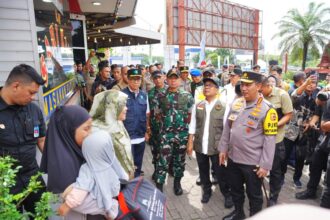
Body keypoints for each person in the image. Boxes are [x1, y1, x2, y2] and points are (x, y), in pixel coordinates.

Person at [219, 71, 278, 219]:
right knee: (236, 191)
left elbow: (270, 140)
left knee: (254, 196)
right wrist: (223, 148)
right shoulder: (237, 103)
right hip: (233, 158)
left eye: (248, 85)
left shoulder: (268, 109)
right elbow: (228, 127)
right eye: (242, 84)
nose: (244, 88)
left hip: (252, 163)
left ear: (258, 86)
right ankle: (239, 214)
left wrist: (265, 165)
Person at [0, 64, 46, 216]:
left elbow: (41, 140)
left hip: (33, 176)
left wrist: (56, 164)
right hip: (5, 184)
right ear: (16, 86)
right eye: (31, 92)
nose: (33, 97)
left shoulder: (34, 110)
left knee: (42, 214)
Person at [57, 130, 128, 219]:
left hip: (97, 206)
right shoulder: (111, 162)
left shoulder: (88, 168)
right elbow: (124, 177)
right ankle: (110, 207)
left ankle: (109, 207)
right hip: (113, 197)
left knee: (71, 193)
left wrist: (66, 206)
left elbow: (81, 190)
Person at [40, 105, 93, 219]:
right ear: (69, 129)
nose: (90, 133)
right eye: (86, 128)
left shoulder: (75, 150)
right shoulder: (64, 167)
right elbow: (80, 203)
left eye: (91, 127)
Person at [187, 77, 233, 206]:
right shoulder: (199, 105)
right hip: (201, 145)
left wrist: (225, 148)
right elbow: (193, 125)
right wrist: (190, 142)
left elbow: (227, 129)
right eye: (205, 85)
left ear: (217, 90)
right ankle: (206, 191)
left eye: (210, 85)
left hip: (217, 146)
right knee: (203, 171)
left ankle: (227, 194)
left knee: (221, 173)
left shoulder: (224, 106)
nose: (206, 87)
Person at [155, 69, 194, 194]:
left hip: (182, 135)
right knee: (162, 160)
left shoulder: (187, 96)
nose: (173, 80)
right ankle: (159, 185)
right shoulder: (160, 95)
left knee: (179, 160)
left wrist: (189, 137)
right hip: (166, 135)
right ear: (166, 79)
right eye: (170, 78)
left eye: (175, 78)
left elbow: (190, 116)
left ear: (179, 80)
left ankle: (177, 183)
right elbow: (157, 114)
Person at [260, 76, 293, 206]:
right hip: (259, 140)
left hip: (276, 140)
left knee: (275, 171)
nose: (259, 91)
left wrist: (274, 125)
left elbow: (289, 115)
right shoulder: (258, 96)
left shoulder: (282, 95)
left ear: (268, 86)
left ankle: (273, 197)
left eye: (261, 89)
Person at [282, 74, 320, 188]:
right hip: (290, 129)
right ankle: (281, 177)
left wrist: (310, 122)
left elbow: (317, 114)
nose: (310, 85)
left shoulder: (317, 98)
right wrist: (305, 84)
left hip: (304, 132)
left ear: (316, 86)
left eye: (313, 83)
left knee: (300, 157)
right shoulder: (297, 93)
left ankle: (297, 178)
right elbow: (294, 95)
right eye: (309, 82)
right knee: (284, 156)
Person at [89, 90, 135, 179]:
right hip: (112, 182)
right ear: (111, 107)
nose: (126, 108)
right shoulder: (96, 133)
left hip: (125, 178)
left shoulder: (117, 123)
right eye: (122, 105)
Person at [122, 68, 150, 177]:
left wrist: (147, 131)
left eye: (138, 79)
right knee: (127, 166)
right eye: (133, 79)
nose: (136, 82)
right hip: (127, 137)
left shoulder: (144, 95)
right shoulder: (122, 95)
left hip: (140, 136)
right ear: (128, 80)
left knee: (138, 164)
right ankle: (127, 188)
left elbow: (147, 115)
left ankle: (136, 184)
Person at [148, 70, 167, 180]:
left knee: (166, 150)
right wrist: (148, 127)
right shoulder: (150, 93)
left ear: (164, 77)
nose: (157, 80)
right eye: (155, 78)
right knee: (155, 150)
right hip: (155, 127)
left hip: (167, 127)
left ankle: (167, 170)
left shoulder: (170, 91)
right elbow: (148, 112)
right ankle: (156, 170)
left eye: (159, 77)